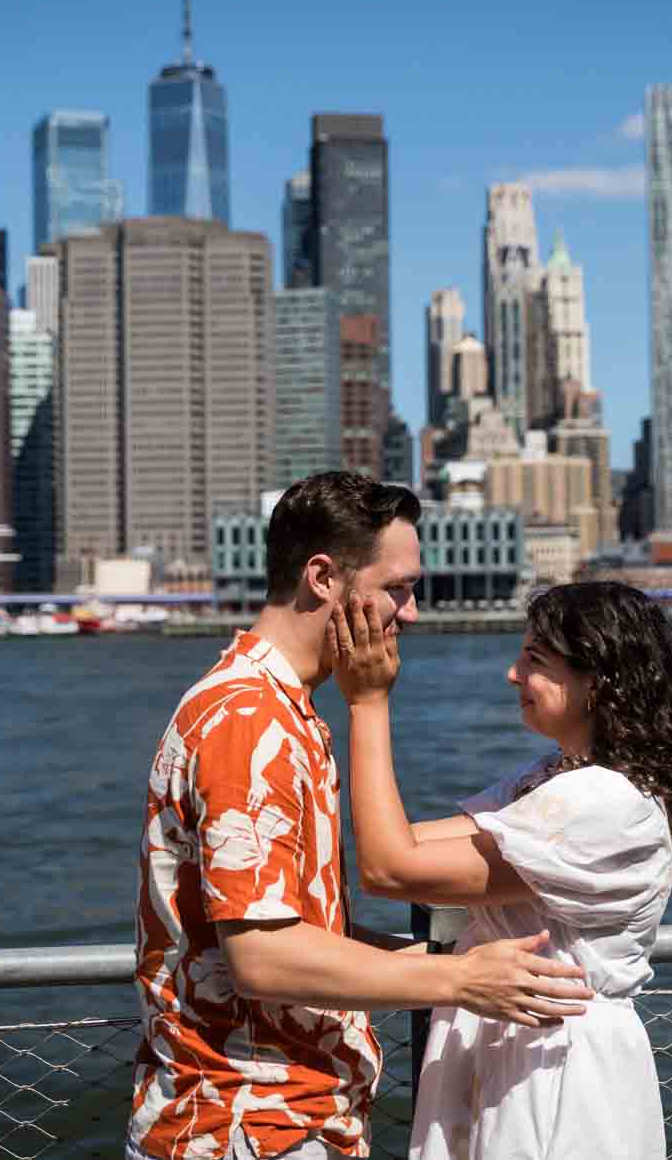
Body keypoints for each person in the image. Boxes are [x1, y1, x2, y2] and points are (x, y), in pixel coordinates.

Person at [128, 471, 595, 1160]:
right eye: (396, 588)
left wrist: (452, 957)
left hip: (283, 1119)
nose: (409, 612)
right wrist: (462, 980)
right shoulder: (249, 720)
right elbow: (264, 954)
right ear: (322, 577)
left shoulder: (283, 711)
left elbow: (305, 931)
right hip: (247, 1128)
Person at [330, 579, 672, 1160]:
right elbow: (394, 847)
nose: (513, 675)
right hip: (512, 1046)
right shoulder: (551, 778)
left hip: (553, 1067)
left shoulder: (603, 802)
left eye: (534, 659)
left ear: (595, 680)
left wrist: (367, 703)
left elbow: (390, 867)